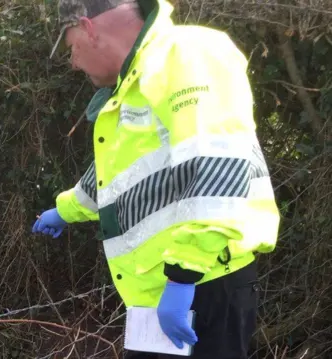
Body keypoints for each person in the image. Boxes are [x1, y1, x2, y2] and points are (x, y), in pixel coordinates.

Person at [31, 0, 281, 358]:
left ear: (88, 28)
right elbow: (116, 176)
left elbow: (220, 167)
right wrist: (64, 211)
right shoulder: (134, 83)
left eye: (71, 48)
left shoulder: (184, 54)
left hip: (203, 281)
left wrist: (183, 276)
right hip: (158, 293)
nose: (73, 62)